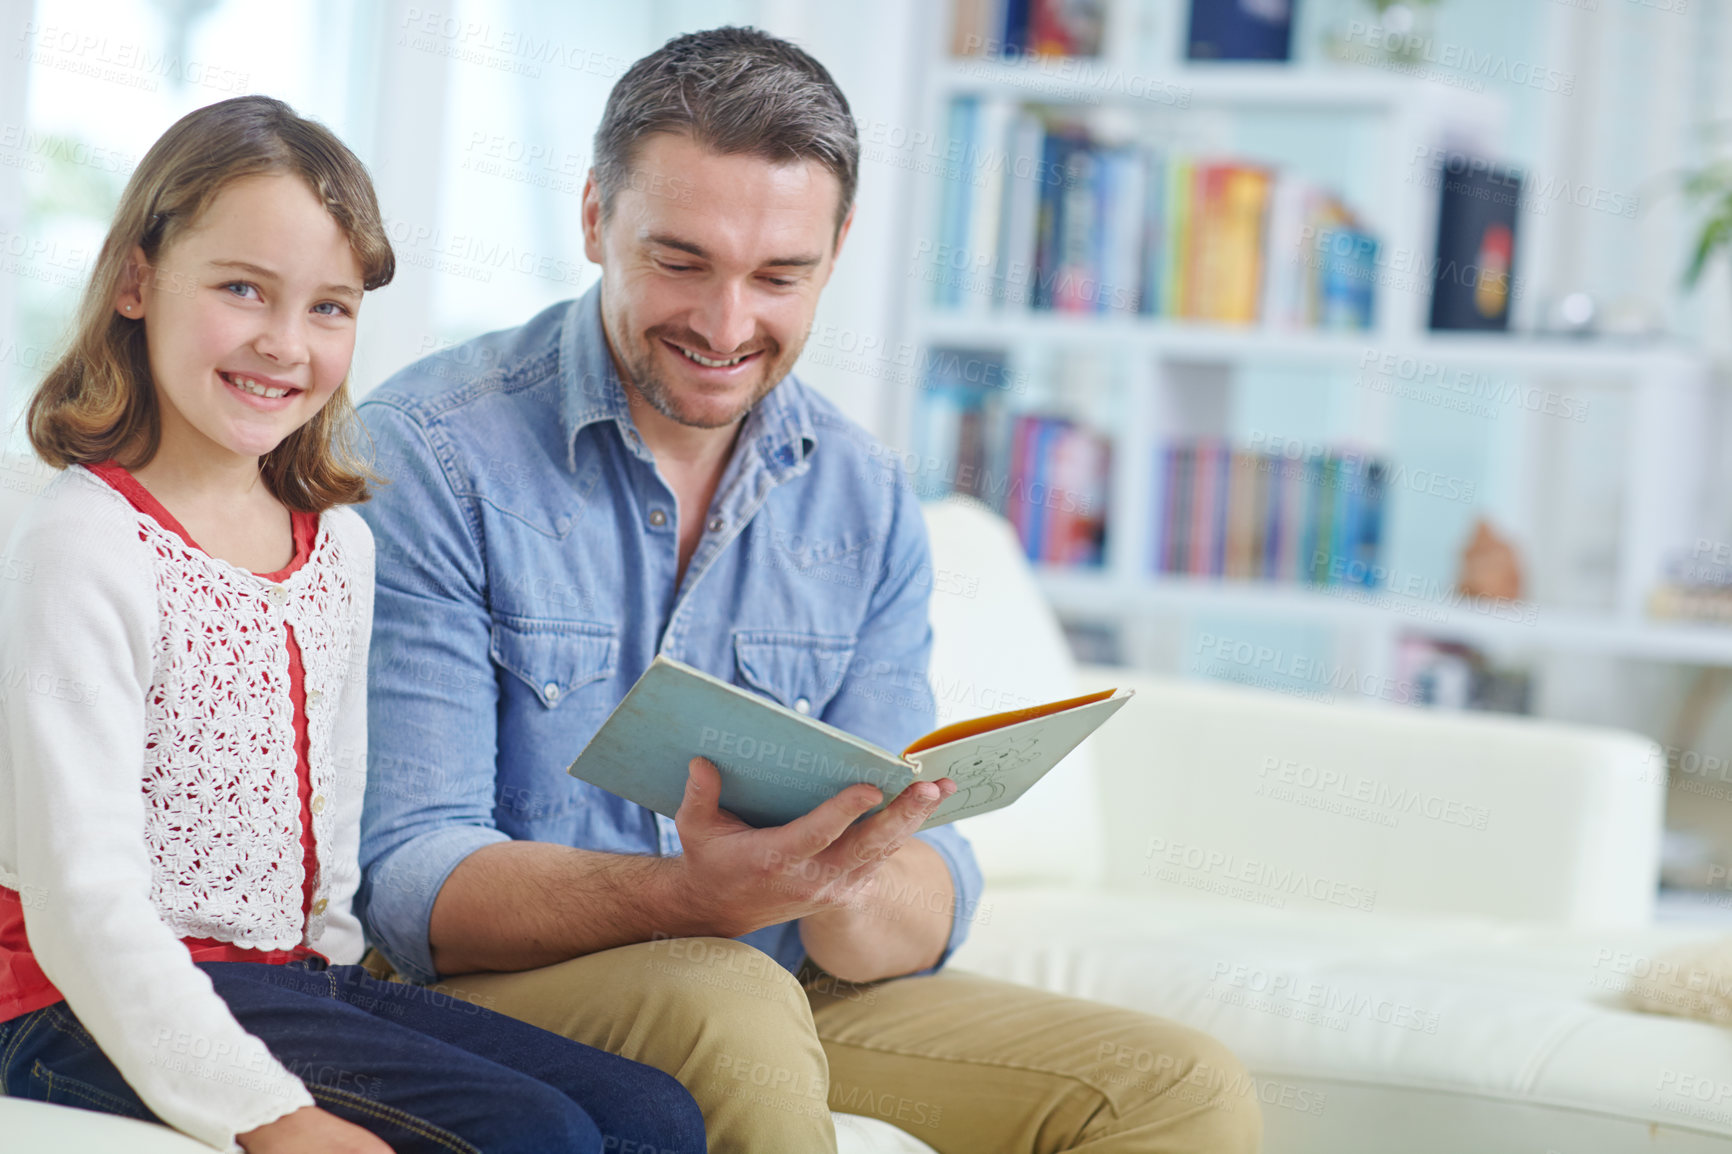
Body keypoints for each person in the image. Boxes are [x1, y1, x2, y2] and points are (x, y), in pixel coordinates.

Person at [356, 26, 1263, 1154]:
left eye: (779, 276)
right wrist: (695, 896)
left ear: (835, 250)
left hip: (782, 985)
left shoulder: (863, 496)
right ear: (594, 217)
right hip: (509, 991)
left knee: (1173, 1082)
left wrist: (841, 873)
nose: (727, 327)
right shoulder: (432, 451)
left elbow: (920, 911)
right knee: (734, 1009)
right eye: (680, 261)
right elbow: (412, 882)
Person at [0, 96, 704, 1154]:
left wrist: (344, 1005)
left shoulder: (336, 544)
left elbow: (329, 846)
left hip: (291, 980)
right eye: (243, 289)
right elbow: (82, 902)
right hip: (66, 1003)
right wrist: (271, 1113)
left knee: (654, 1111)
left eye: (330, 307)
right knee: (535, 1133)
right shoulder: (85, 543)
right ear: (138, 280)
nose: (285, 345)